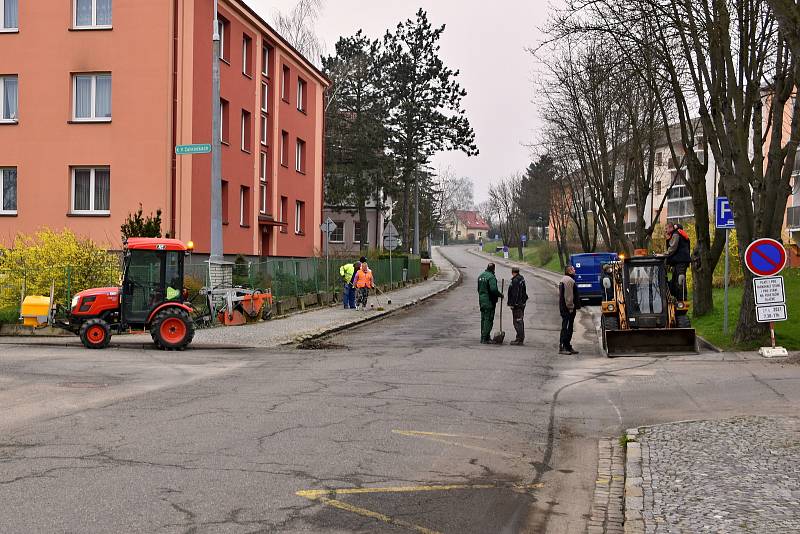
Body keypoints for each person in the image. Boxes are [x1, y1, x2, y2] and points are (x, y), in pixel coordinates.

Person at [477, 263, 503, 344]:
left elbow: (478, 289)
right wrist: (500, 295)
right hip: (489, 301)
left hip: (482, 300)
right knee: (488, 319)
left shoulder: (481, 276)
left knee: (483, 319)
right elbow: (493, 289)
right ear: (493, 269)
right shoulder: (491, 277)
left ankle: (483, 336)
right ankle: (485, 338)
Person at [664, 222, 691, 299]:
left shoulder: (676, 234)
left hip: (680, 261)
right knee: (676, 279)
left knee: (680, 279)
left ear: (671, 228)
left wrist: (665, 254)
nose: (665, 231)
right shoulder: (678, 234)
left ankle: (682, 299)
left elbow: (672, 248)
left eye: (666, 229)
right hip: (680, 261)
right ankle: (678, 297)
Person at [559, 265, 581, 355]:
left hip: (566, 308)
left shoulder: (565, 279)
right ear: (569, 271)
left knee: (569, 327)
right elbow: (568, 296)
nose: (574, 270)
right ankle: (563, 346)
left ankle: (567, 346)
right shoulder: (568, 280)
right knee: (567, 327)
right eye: (573, 269)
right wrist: (571, 307)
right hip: (567, 309)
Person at [507, 267, 528, 345]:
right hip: (521, 303)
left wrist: (513, 304)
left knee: (517, 321)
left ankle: (519, 339)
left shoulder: (515, 280)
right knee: (519, 320)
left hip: (517, 305)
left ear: (512, 272)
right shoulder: (521, 279)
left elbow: (515, 294)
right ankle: (520, 338)